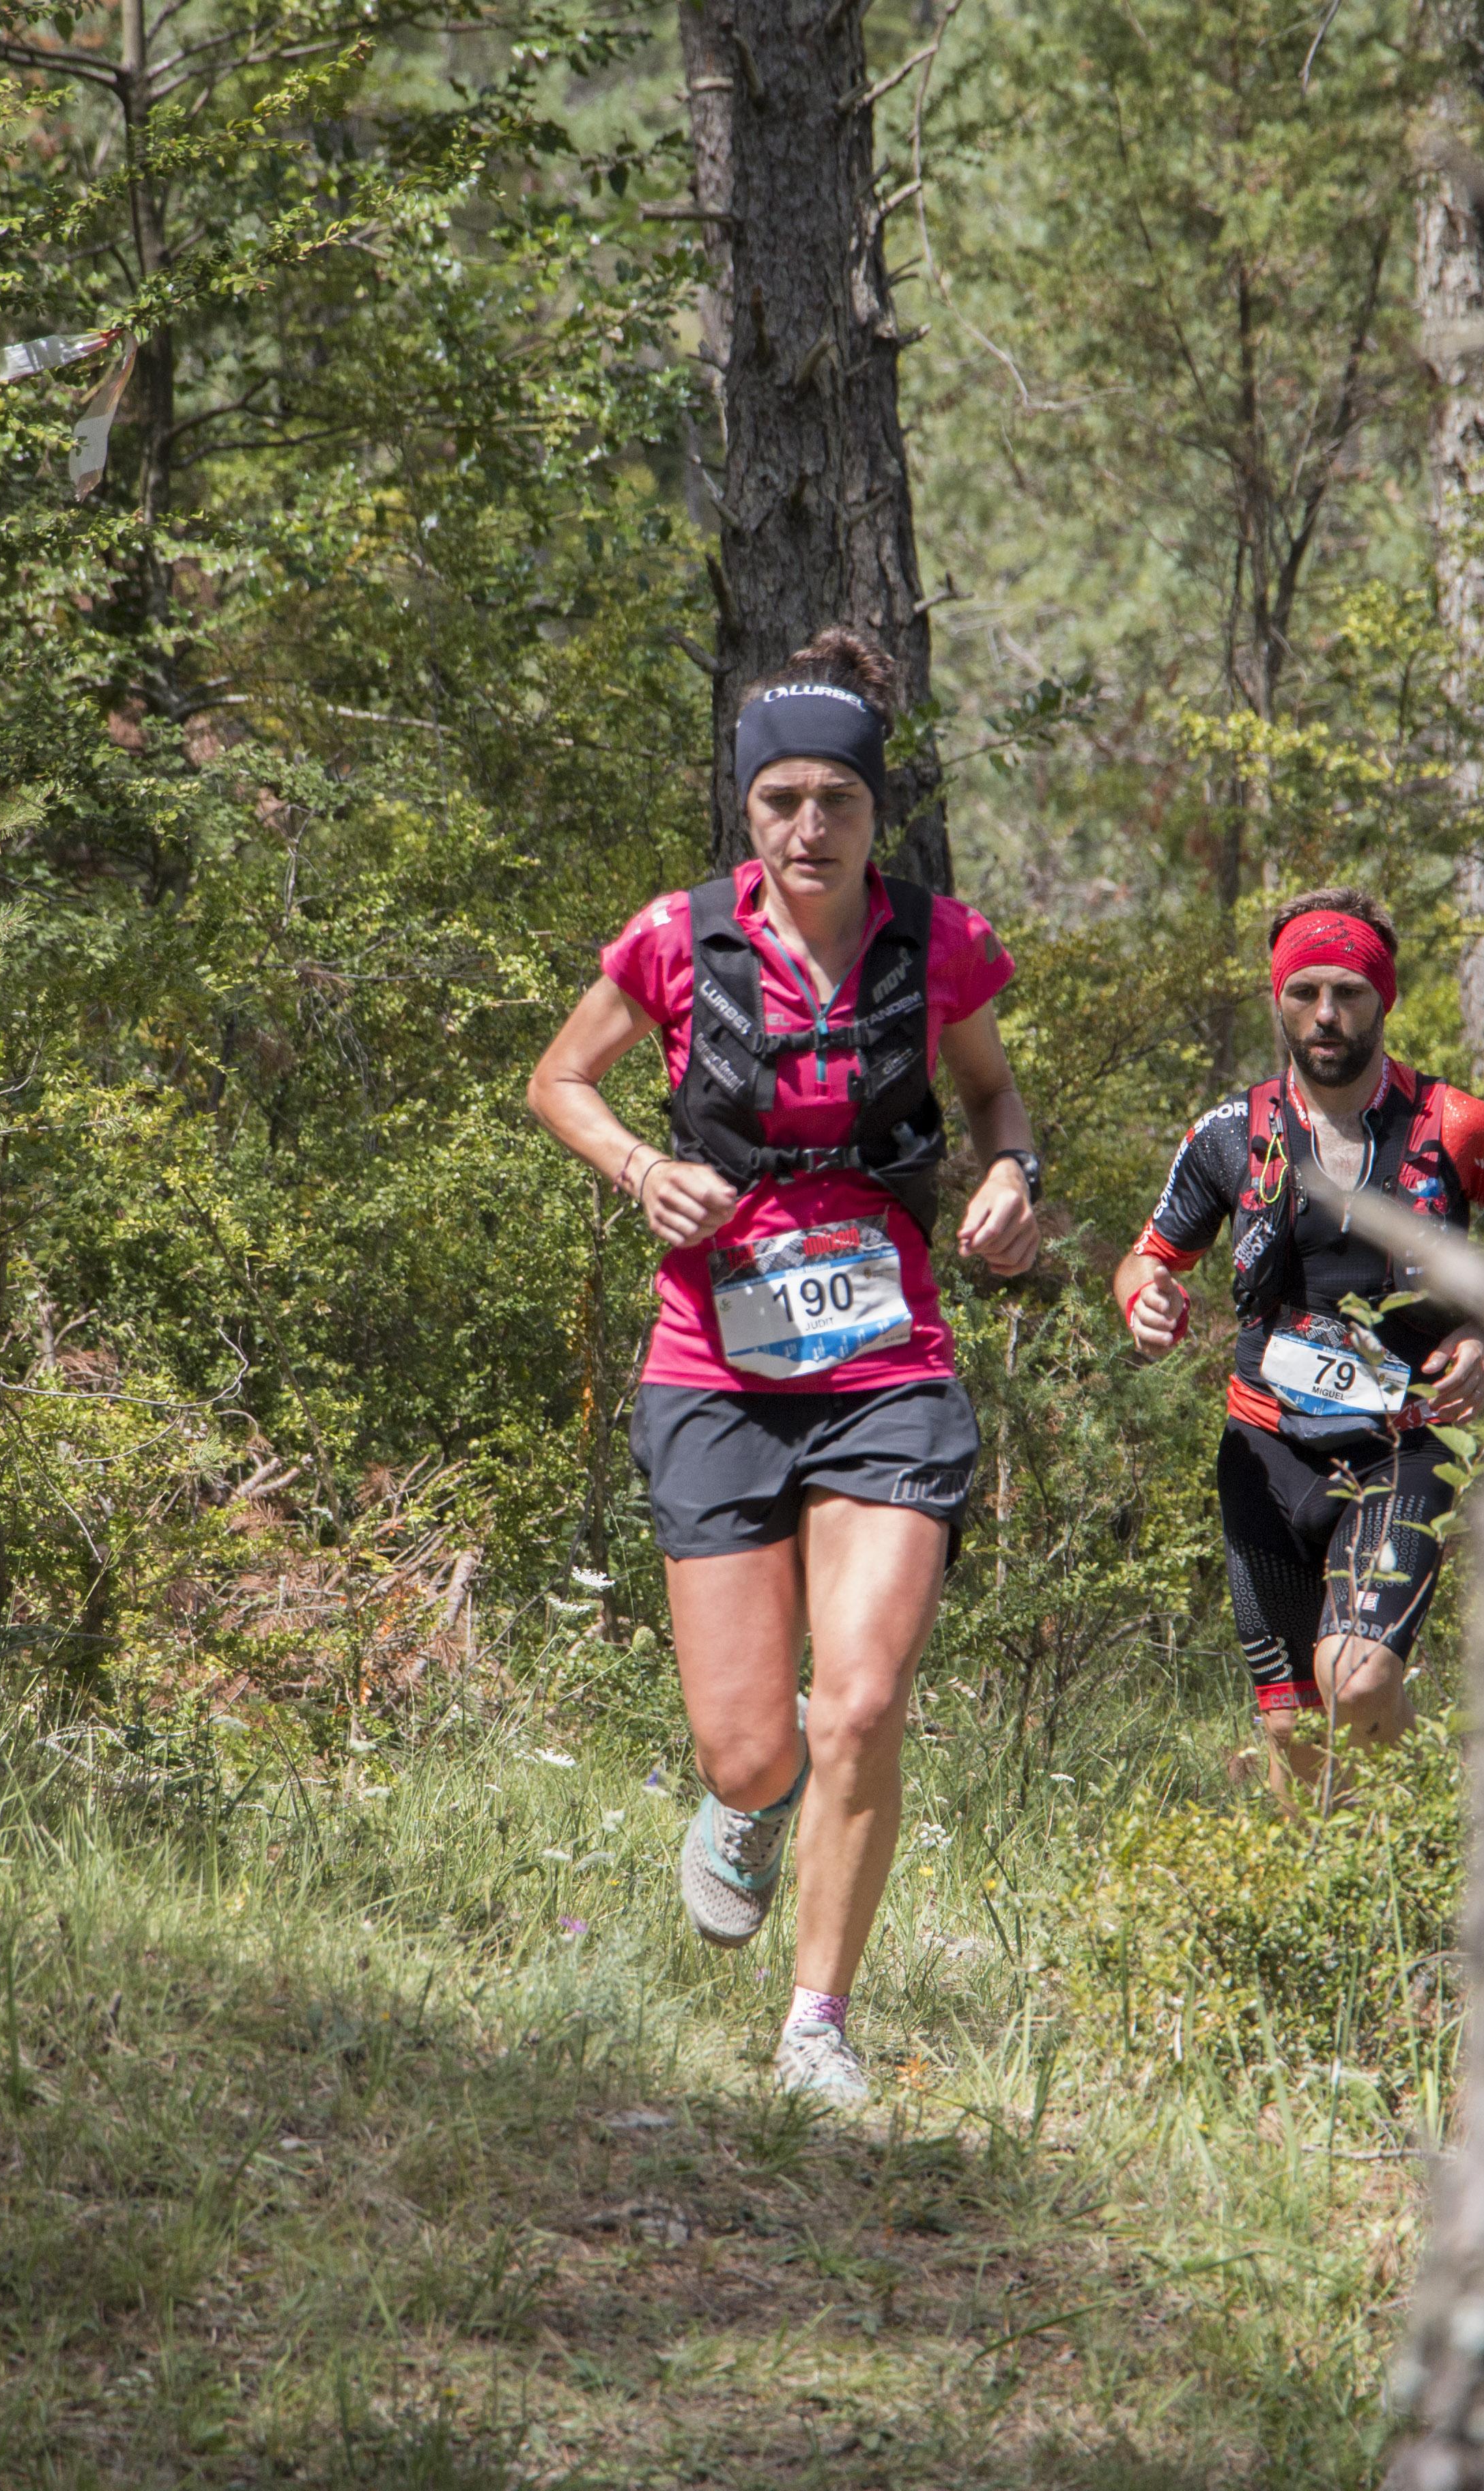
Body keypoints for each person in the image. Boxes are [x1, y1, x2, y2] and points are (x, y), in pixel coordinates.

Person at [526, 626, 1043, 2106]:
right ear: (744, 810)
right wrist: (639, 1169)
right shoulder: (678, 937)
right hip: (717, 1368)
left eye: (839, 801)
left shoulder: (938, 946)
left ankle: (817, 2024)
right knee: (755, 1748)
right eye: (781, 803)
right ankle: (748, 1808)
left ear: (880, 814)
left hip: (889, 1365)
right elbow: (559, 1080)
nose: (809, 828)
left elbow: (999, 1099)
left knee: (863, 1701)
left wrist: (1014, 1183)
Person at [1110, 889, 1484, 1799]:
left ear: (1385, 1000)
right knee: (1294, 1729)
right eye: (1304, 993)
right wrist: (1146, 1299)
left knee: (1360, 1677)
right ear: (1277, 998)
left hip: (1403, 1446)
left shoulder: (1456, 1127)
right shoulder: (1233, 1134)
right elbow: (1149, 1257)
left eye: (1349, 992)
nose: (1326, 1015)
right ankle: (1355, 1915)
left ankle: (1420, 1846)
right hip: (1263, 1452)